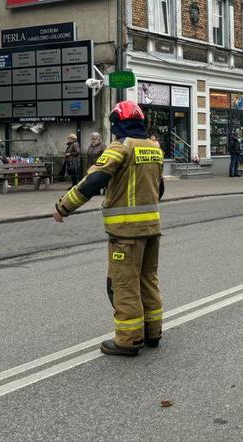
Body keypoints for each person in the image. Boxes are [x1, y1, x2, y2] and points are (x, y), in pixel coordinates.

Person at [53, 100, 165, 357]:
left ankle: (128, 339)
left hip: (125, 233)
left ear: (117, 124)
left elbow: (93, 181)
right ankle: (152, 332)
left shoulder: (120, 147)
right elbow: (159, 190)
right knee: (148, 280)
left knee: (123, 284)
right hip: (152, 228)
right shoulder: (154, 149)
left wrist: (63, 207)